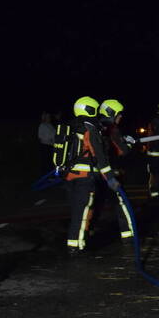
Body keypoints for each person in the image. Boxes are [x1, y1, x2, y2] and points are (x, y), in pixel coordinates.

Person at [64, 96, 119, 254]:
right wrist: (110, 178)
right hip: (84, 177)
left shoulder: (71, 127)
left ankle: (74, 243)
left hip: (69, 177)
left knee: (76, 211)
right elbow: (99, 156)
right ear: (91, 110)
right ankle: (75, 247)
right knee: (81, 213)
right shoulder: (90, 129)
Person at [98, 98, 136, 242]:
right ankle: (129, 234)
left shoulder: (97, 128)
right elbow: (122, 151)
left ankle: (84, 235)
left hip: (97, 174)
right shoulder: (112, 129)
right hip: (112, 173)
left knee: (94, 204)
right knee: (122, 203)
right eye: (118, 114)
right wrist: (129, 144)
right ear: (111, 113)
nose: (121, 117)